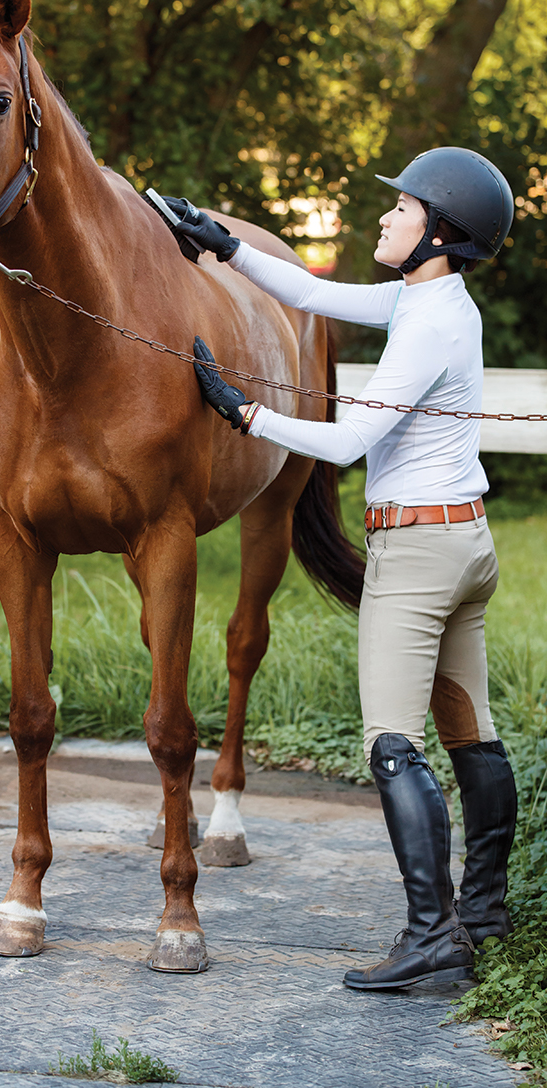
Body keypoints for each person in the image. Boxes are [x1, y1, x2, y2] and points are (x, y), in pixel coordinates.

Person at [164, 147, 518, 991]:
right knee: (473, 731)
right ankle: (486, 911)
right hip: (465, 542)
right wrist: (222, 244)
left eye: (402, 208)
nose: (387, 217)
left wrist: (248, 414)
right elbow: (315, 294)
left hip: (419, 555)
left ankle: (433, 934)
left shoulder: (425, 323)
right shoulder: (431, 298)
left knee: (394, 746)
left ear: (440, 230)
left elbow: (348, 441)